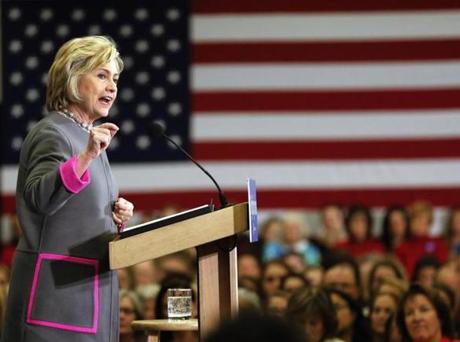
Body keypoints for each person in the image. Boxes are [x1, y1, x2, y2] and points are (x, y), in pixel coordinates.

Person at [1, 36, 134, 341]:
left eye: (114, 78)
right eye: (101, 75)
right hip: (54, 303)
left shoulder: (85, 135)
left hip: (84, 293)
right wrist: (87, 156)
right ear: (73, 78)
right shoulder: (53, 132)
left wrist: (115, 213)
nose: (112, 87)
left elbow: (74, 210)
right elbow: (40, 199)